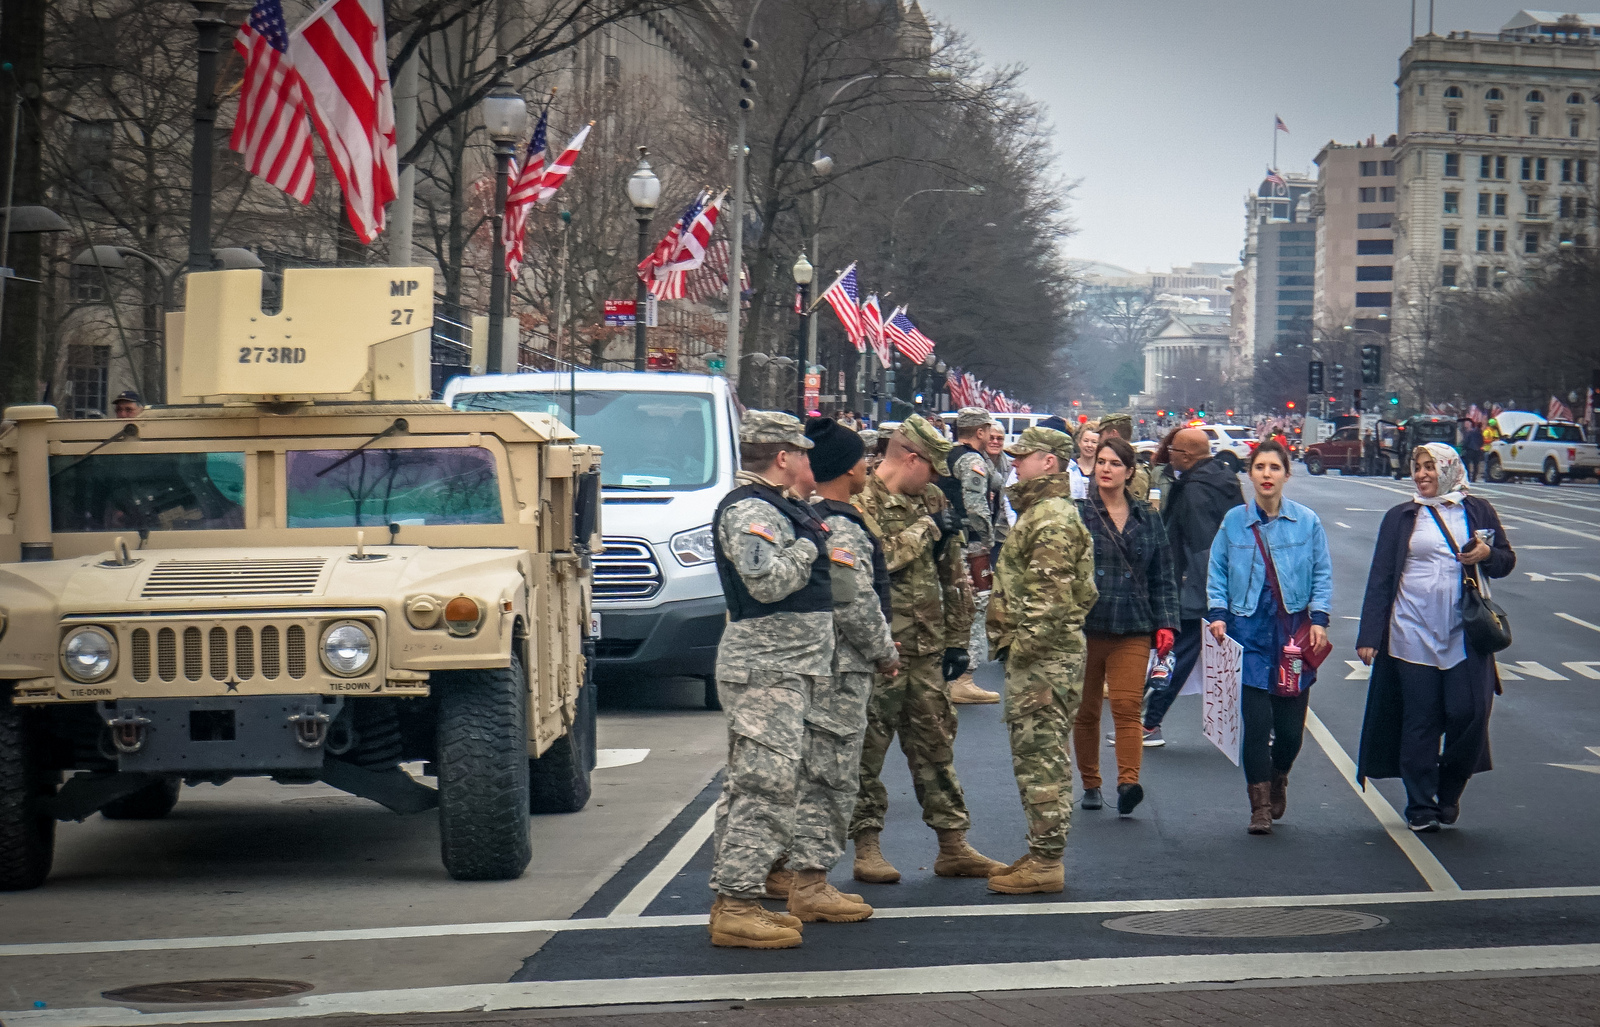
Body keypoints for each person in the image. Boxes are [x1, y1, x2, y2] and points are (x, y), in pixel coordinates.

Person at [849, 415, 1004, 884]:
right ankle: (867, 846)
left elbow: (951, 574)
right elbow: (879, 558)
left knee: (935, 749)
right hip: (882, 649)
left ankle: (953, 845)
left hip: (927, 648)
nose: (937, 479)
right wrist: (927, 530)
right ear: (909, 459)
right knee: (867, 753)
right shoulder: (860, 500)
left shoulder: (931, 499)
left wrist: (958, 641)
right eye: (932, 468)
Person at [762, 418, 900, 921]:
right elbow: (852, 599)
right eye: (862, 458)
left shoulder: (809, 515)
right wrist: (885, 650)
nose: (868, 466)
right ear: (847, 467)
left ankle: (781, 870)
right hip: (838, 668)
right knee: (829, 776)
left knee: (799, 773)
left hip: (811, 663)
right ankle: (811, 883)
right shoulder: (840, 523)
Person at [706, 411, 835, 949]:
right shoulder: (754, 511)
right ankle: (737, 906)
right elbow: (766, 582)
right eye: (802, 452)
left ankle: (738, 896)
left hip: (785, 669)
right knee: (764, 787)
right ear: (783, 457)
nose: (809, 461)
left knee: (758, 785)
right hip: (766, 671)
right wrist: (811, 545)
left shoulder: (783, 507)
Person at [1355, 443, 1515, 832]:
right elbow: (1380, 579)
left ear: (1448, 469)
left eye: (1430, 467)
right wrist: (1369, 635)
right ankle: (1421, 805)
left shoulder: (1477, 510)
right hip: (1410, 631)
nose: (1422, 474)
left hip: (1464, 634)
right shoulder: (1401, 516)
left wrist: (1486, 555)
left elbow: (1506, 560)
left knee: (1470, 713)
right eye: (1417, 467)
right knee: (1419, 720)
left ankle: (1450, 788)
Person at [985, 426, 1097, 894]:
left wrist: (1020, 649)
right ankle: (1040, 851)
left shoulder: (1049, 518)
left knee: (1041, 758)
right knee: (1039, 755)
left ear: (1048, 462)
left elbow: (1047, 600)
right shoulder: (1043, 512)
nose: (1015, 463)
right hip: (1048, 657)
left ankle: (1047, 861)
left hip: (1044, 660)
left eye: (1023, 456)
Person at [1206, 439, 1333, 835]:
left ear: (1286, 474)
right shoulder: (1234, 522)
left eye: (1274, 468)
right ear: (1250, 473)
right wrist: (1218, 614)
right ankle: (1259, 807)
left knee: (1290, 733)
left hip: (1292, 635)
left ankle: (1280, 775)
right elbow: (1218, 571)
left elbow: (1322, 573)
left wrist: (1319, 618)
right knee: (1257, 725)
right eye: (1259, 467)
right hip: (1248, 632)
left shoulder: (1307, 521)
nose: (1266, 475)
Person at [1072, 436, 1179, 817]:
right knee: (1085, 711)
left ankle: (1128, 782)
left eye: (1115, 463)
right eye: (1101, 461)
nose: (1105, 468)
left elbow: (1163, 574)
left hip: (1133, 624)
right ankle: (1090, 782)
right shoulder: (1079, 513)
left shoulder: (1147, 517)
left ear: (1130, 472)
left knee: (1126, 705)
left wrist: (1166, 623)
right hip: (1086, 626)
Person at [1141, 427, 1243, 744]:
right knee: (1240, 657)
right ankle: (1262, 725)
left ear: (1186, 455)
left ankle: (1149, 722)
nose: (1169, 455)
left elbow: (1200, 547)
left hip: (1198, 587)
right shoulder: (1225, 480)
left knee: (1176, 654)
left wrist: (1210, 598)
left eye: (1172, 451)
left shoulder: (1193, 491)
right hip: (1233, 581)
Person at [946, 408, 1004, 704]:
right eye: (987, 429)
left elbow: (997, 481)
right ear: (979, 431)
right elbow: (976, 505)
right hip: (970, 543)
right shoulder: (970, 460)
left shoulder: (954, 454)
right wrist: (988, 539)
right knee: (976, 605)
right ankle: (964, 677)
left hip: (956, 541)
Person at [1096, 414, 1150, 501]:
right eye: (1101, 462)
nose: (1099, 440)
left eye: (1101, 435)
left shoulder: (1137, 471)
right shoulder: (1136, 463)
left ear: (1114, 434)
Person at [1069, 422, 1098, 500]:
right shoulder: (1069, 467)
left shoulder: (1103, 469)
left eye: (1094, 442)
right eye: (1086, 441)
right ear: (1079, 442)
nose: (1089, 445)